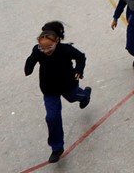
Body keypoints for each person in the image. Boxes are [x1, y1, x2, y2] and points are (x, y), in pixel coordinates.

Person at [23, 21, 91, 164]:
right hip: (49, 89)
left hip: (67, 85)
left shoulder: (65, 50)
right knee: (52, 117)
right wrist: (28, 67)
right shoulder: (38, 50)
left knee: (74, 97)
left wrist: (79, 69)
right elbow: (32, 59)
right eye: (42, 48)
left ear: (57, 41)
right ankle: (57, 148)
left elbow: (81, 57)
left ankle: (85, 95)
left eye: (49, 47)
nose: (46, 50)